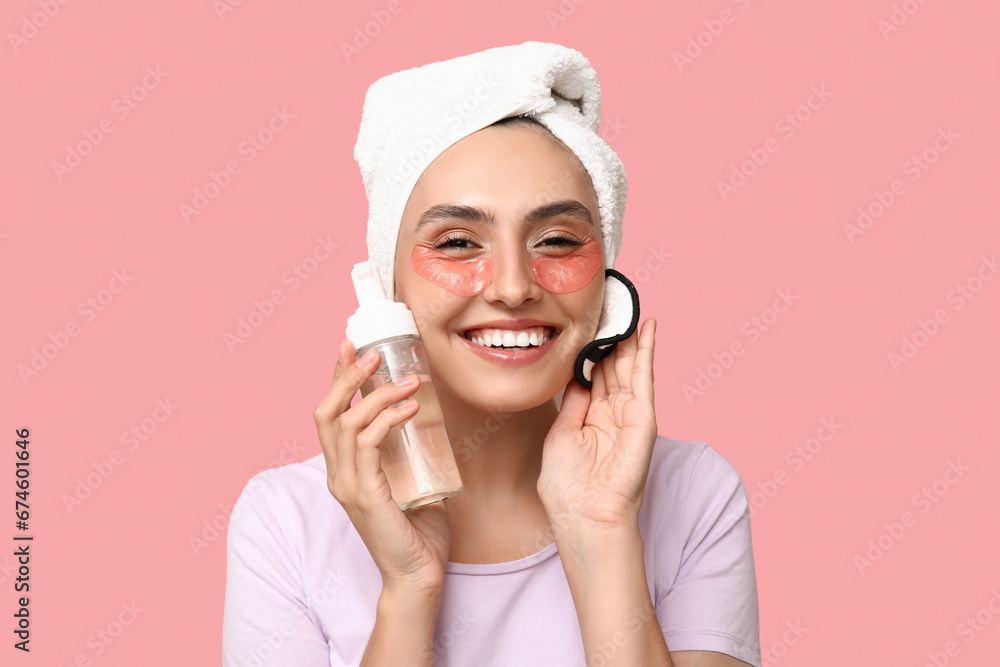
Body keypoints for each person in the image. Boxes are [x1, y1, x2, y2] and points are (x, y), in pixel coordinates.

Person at [223, 42, 761, 667]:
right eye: (456, 243)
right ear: (388, 286)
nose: (512, 286)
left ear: (607, 286)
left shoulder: (694, 494)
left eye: (557, 240)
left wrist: (600, 530)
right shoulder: (284, 523)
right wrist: (409, 589)